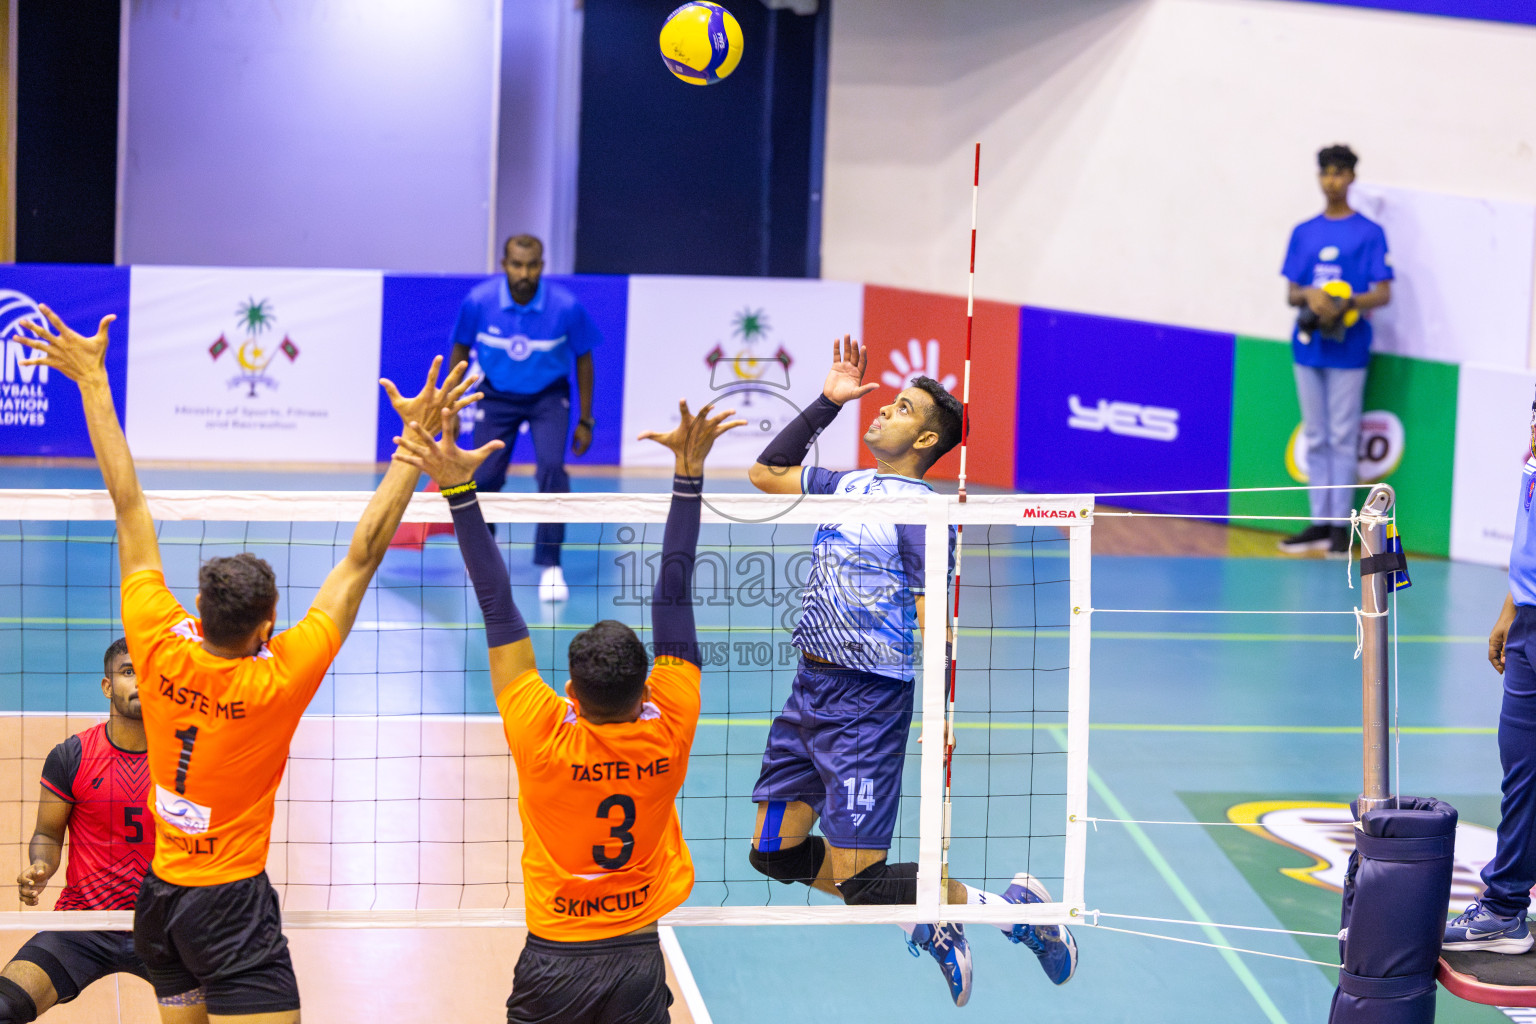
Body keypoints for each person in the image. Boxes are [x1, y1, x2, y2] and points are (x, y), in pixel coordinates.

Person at [17, 305, 478, 1024]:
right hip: (228, 905)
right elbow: (362, 556)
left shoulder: (158, 642)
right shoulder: (281, 676)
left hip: (160, 898)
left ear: (197, 608)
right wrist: (412, 446)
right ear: (269, 623)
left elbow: (128, 503)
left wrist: (92, 381)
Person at [743, 336, 1077, 1006]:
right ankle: (945, 916)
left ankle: (1020, 914)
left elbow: (936, 617)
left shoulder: (923, 513)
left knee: (863, 880)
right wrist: (825, 404)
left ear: (926, 437)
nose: (881, 412)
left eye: (898, 408)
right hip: (808, 688)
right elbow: (764, 471)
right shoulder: (847, 483)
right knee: (774, 854)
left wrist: (939, 715)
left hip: (867, 704)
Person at [391, 397, 741, 1023]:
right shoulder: (672, 721)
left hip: (555, 955)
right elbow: (674, 596)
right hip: (636, 955)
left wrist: (459, 490)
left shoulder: (544, 735)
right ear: (647, 688)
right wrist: (689, 476)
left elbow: (499, 608)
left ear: (570, 695)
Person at [1, 638, 154, 1023]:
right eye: (127, 671)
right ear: (107, 686)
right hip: (83, 922)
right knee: (4, 1005)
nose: (140, 682)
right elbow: (48, 834)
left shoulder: (186, 761)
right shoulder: (72, 756)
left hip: (163, 926)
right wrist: (41, 866)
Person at [449, 233, 600, 604]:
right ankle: (484, 551)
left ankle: (550, 564)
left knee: (552, 469)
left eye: (532, 265)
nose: (524, 272)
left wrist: (586, 420)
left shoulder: (566, 307)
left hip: (548, 397)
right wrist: (450, 409)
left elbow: (584, 359)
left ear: (542, 266)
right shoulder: (478, 303)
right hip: (496, 395)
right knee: (483, 476)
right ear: (504, 266)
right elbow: (459, 349)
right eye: (517, 264)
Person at [1444, 390, 1536, 954]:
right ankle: (1504, 910)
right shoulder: (1532, 459)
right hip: (1528, 625)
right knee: (1521, 773)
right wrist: (1510, 612)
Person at [1278, 144, 1393, 558]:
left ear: (1352, 177)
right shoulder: (1304, 231)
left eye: (1340, 173)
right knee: (1317, 435)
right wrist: (1311, 295)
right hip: (1309, 347)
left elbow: (1382, 292)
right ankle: (1320, 522)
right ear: (1319, 176)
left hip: (1349, 347)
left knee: (1343, 436)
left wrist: (1346, 304)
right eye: (1326, 173)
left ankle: (1342, 527)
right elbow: (1292, 290)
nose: (1333, 181)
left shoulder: (1369, 233)